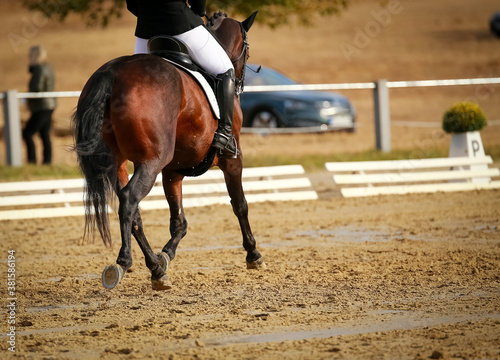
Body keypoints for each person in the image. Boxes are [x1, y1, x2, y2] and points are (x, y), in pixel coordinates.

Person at [126, 0, 238, 156]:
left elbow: (131, 5)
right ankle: (225, 134)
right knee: (225, 69)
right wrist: (198, 11)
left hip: (146, 31)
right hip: (181, 25)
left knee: (134, 84)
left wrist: (151, 15)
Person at [23, 45, 57, 164]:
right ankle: (47, 163)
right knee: (44, 135)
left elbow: (37, 88)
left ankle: (32, 161)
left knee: (27, 133)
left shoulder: (39, 69)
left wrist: (26, 99)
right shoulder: (48, 68)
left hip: (42, 106)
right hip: (49, 105)